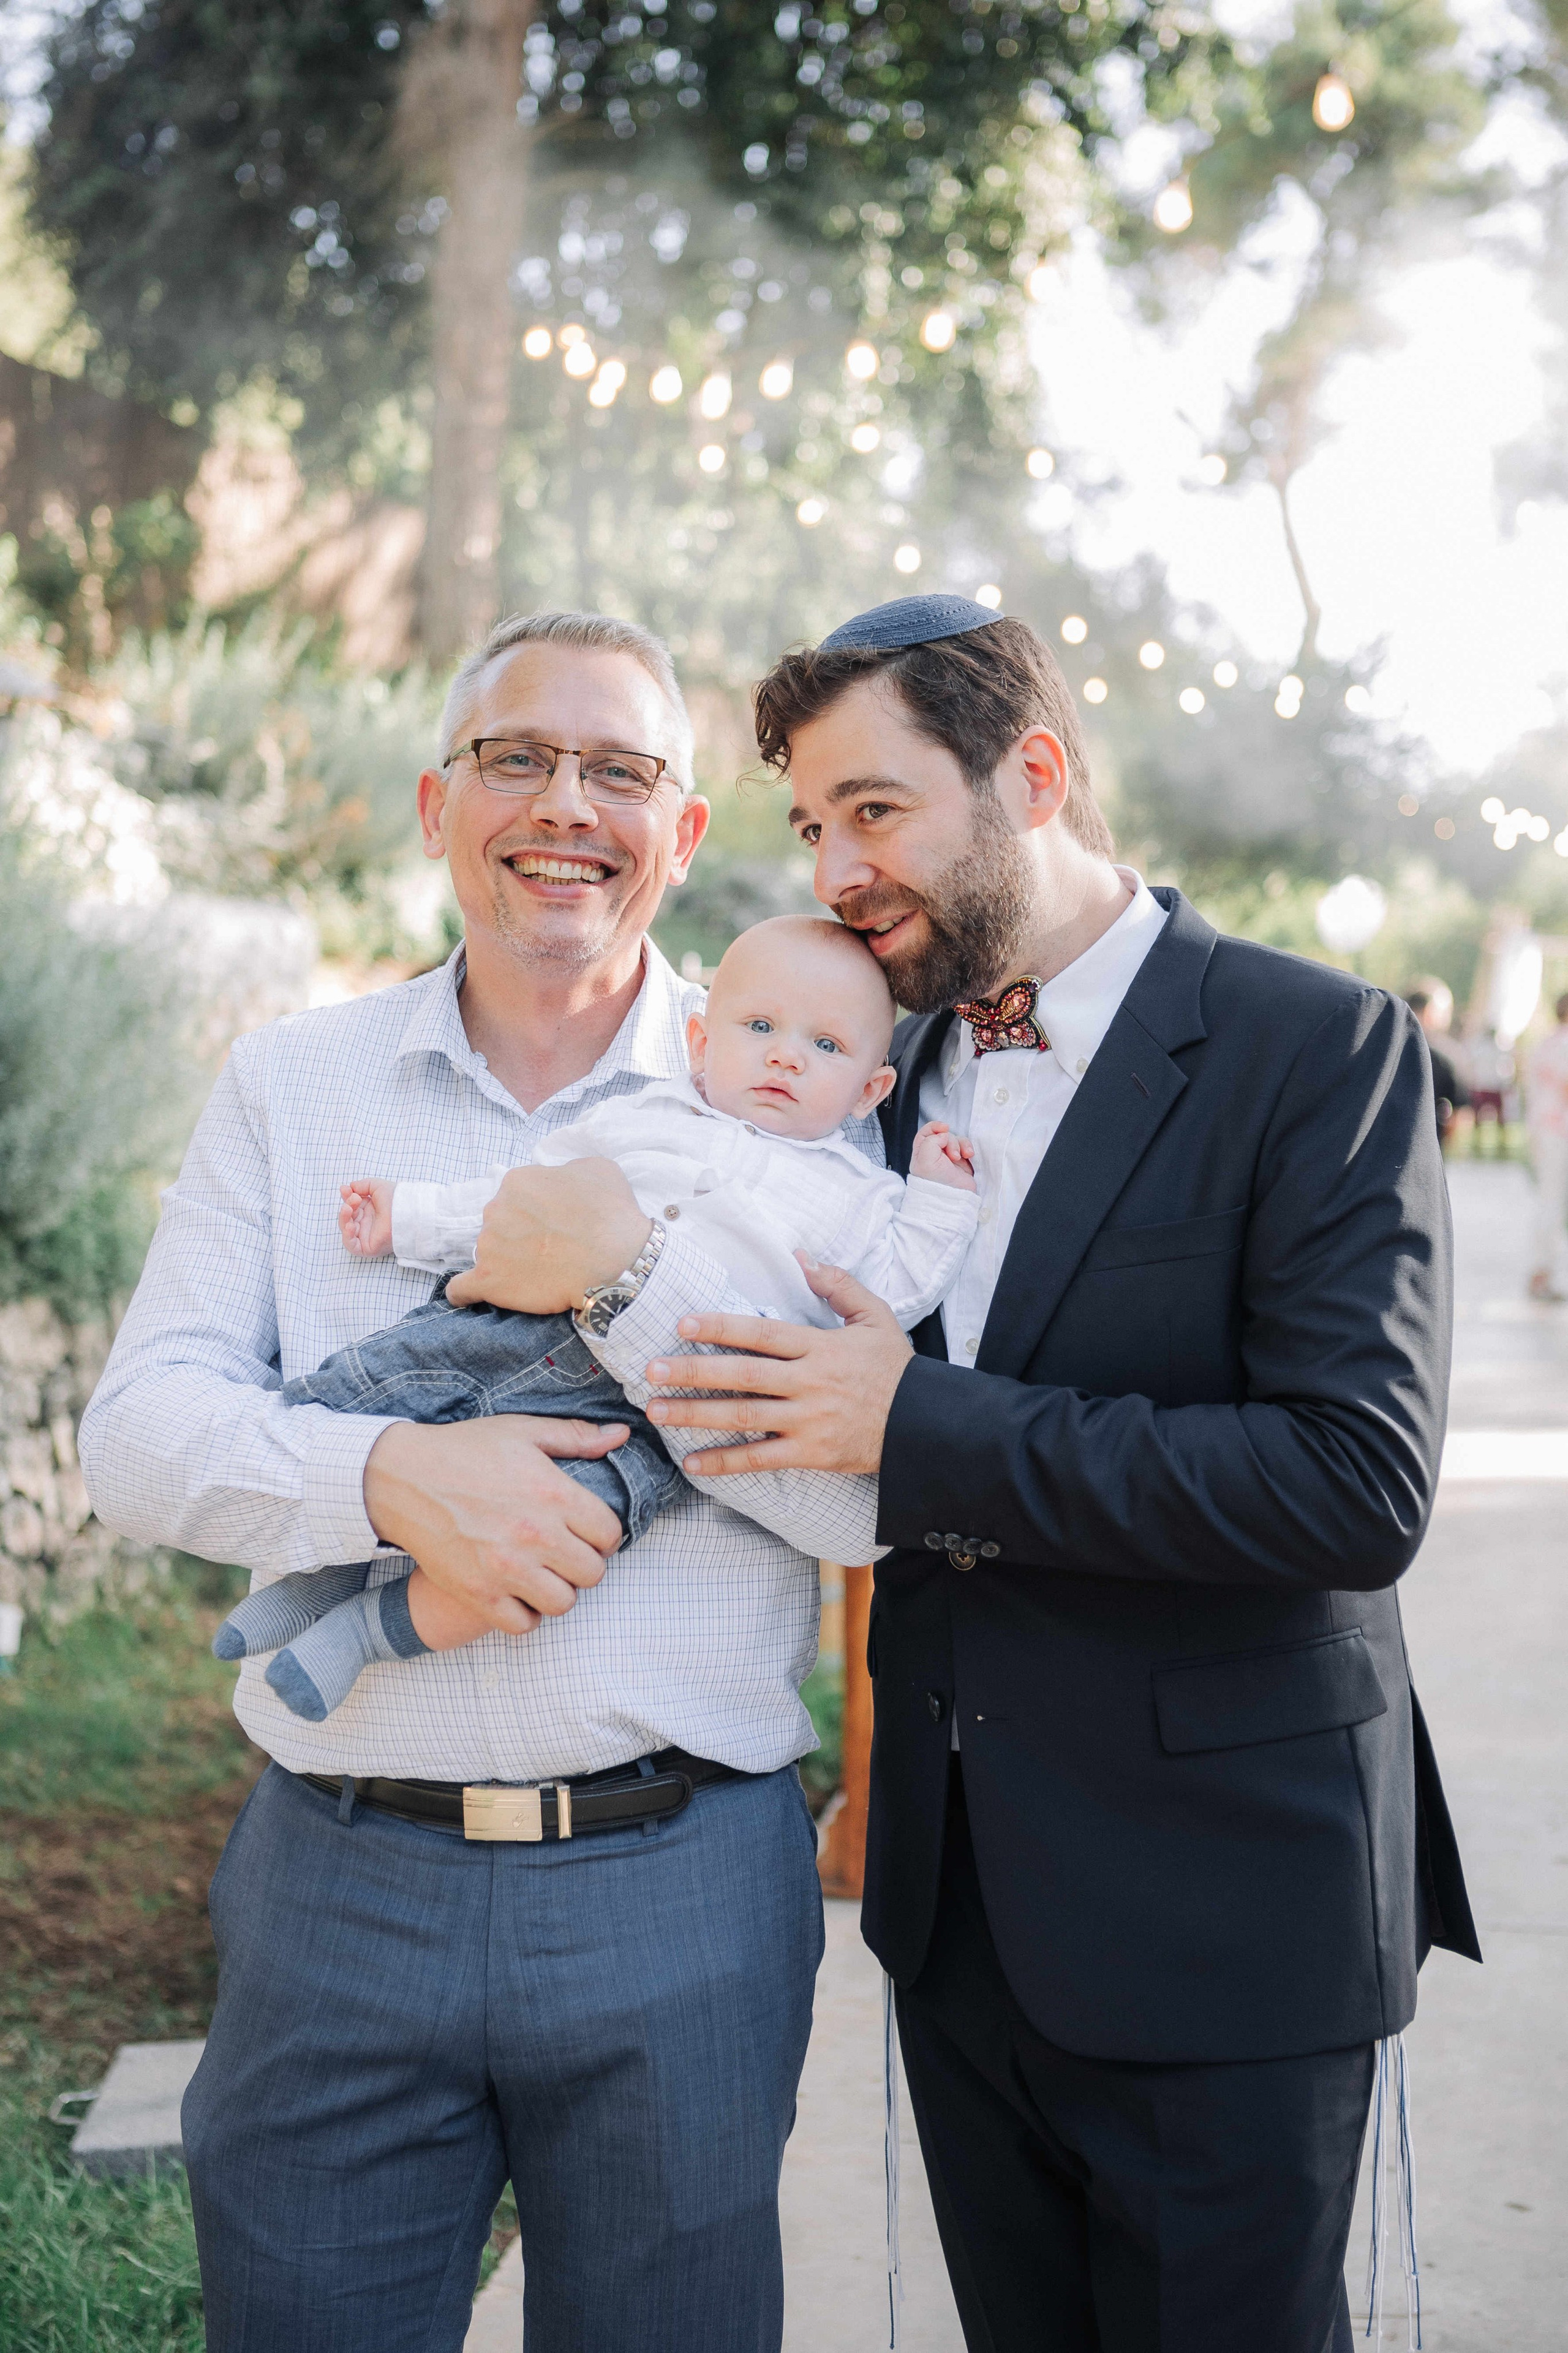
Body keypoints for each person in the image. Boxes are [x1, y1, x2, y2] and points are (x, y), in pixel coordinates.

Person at [459, 595, 1481, 2353]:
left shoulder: (1318, 1049)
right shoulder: (876, 1056)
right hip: (957, 1910)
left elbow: (1354, 1482)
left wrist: (916, 1426)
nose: (840, 869)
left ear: (1036, 774)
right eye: (811, 826)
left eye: (878, 810)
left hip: (1223, 1910)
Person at [79, 610, 888, 2353]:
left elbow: (865, 1508)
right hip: (339, 1886)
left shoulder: (803, 1093)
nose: (564, 805)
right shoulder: (297, 1089)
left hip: (684, 1886)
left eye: (620, 769)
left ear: (681, 832)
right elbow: (138, 1430)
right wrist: (390, 1478)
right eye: (518, 758)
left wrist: (622, 1285)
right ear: (439, 800)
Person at [213, 912, 977, 1720]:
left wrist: (938, 1197)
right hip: (527, 1326)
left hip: (654, 1414)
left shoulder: (860, 1200)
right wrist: (412, 1219)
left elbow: (898, 1288)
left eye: (827, 1047)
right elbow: (522, 1200)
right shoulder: (644, 1120)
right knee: (394, 1375)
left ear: (870, 1089)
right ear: (700, 1042)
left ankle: (364, 1633)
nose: (787, 1054)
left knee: (566, 1532)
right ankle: (314, 1579)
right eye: (758, 1026)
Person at [1525, 990, 1568, 1302]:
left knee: (1549, 1201)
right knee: (1553, 1204)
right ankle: (1543, 1272)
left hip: (1544, 1129)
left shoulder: (1545, 1044)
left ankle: (1544, 1271)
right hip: (1560, 1130)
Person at [1404, 981, 1472, 1152]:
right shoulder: (1447, 1056)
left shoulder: (1380, 1046)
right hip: (1425, 1149)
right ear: (1430, 1012)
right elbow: (1460, 1116)